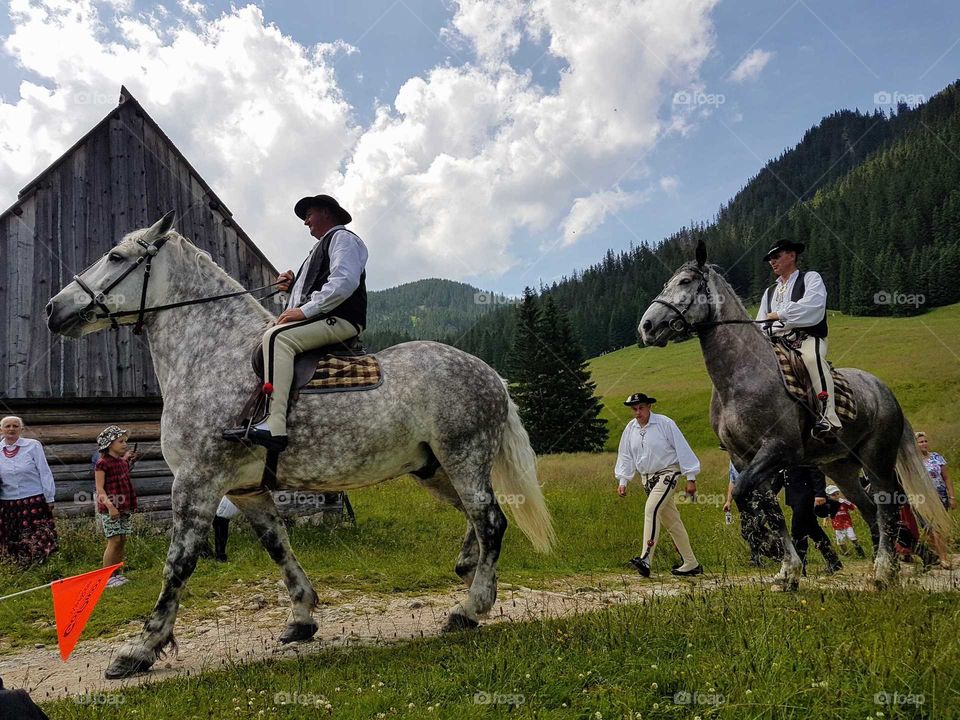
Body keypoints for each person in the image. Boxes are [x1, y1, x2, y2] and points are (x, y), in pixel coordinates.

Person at [222, 194, 368, 451]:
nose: (305, 222)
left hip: (342, 320)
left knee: (277, 338)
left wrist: (304, 312)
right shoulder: (320, 248)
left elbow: (344, 282)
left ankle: (275, 425)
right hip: (325, 318)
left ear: (326, 212)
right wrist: (289, 291)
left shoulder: (343, 239)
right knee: (271, 336)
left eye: (309, 215)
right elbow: (309, 296)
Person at [756, 239, 840, 438]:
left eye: (776, 257)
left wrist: (781, 314)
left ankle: (829, 419)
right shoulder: (769, 292)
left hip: (807, 338)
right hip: (775, 341)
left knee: (812, 360)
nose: (772, 262)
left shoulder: (811, 278)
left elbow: (814, 306)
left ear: (792, 255)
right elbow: (760, 322)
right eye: (770, 259)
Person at [615, 393, 702, 577]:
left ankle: (645, 558)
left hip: (667, 474)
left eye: (641, 408)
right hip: (646, 479)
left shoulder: (665, 423)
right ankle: (691, 563)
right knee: (672, 522)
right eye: (634, 409)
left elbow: (682, 447)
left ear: (649, 407)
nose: (638, 413)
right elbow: (625, 455)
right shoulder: (630, 429)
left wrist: (691, 477)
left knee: (651, 510)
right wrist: (623, 480)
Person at [0, 416, 57, 566]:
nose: (11, 429)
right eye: (7, 426)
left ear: (21, 429)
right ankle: (18, 565)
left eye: (15, 426)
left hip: (33, 499)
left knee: (37, 532)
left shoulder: (33, 446)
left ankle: (41, 564)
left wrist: (49, 496)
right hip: (8, 502)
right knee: (13, 534)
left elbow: (44, 471)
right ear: (1, 430)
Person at [772, 465, 842, 575]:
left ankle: (800, 566)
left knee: (797, 530)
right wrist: (771, 493)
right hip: (794, 497)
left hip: (806, 496)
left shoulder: (801, 450)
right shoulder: (785, 454)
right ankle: (834, 562)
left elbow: (815, 470)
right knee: (813, 529)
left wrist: (820, 493)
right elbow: (781, 474)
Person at [94, 426, 139, 588]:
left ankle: (117, 574)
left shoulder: (121, 462)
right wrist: (110, 506)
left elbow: (123, 475)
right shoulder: (102, 464)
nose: (124, 444)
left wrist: (127, 458)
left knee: (122, 540)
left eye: (125, 442)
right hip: (110, 509)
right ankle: (106, 577)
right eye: (120, 442)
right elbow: (100, 489)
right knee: (114, 541)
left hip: (124, 507)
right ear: (109, 444)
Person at [724, 461, 783, 566]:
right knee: (746, 530)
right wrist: (729, 501)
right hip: (741, 498)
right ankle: (777, 551)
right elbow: (732, 481)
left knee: (755, 526)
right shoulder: (733, 461)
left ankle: (760, 556)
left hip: (756, 496)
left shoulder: (753, 456)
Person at [823, 484, 866, 558]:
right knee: (840, 542)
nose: (836, 496)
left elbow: (853, 507)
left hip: (847, 524)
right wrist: (825, 520)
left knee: (853, 538)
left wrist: (858, 509)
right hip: (837, 526)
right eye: (833, 495)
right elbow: (826, 514)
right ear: (828, 496)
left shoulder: (843, 502)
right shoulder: (828, 505)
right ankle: (846, 554)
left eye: (837, 493)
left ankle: (860, 553)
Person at [916, 431, 955, 511]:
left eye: (925, 441)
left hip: (941, 496)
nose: (924, 444)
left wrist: (952, 497)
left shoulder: (936, 457)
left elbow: (947, 478)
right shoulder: (913, 461)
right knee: (926, 523)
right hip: (923, 499)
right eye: (921, 442)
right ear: (915, 445)